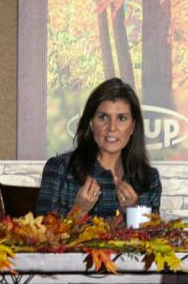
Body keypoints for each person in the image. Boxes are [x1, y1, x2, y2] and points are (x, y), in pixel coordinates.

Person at [35, 78, 161, 219]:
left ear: (132, 127)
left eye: (121, 118)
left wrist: (135, 212)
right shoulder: (61, 169)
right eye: (103, 117)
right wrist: (78, 211)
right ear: (91, 123)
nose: (112, 128)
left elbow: (155, 239)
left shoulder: (148, 179)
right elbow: (42, 237)